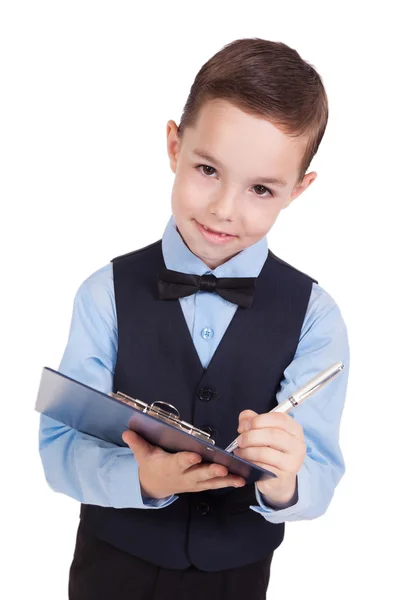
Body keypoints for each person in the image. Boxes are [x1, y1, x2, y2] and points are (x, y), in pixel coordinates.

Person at [38, 37, 350, 600]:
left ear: (298, 191)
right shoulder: (104, 293)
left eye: (260, 188)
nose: (224, 208)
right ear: (174, 146)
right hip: (110, 568)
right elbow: (58, 445)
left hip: (237, 579)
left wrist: (284, 480)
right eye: (208, 169)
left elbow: (320, 476)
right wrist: (139, 478)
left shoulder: (317, 319)